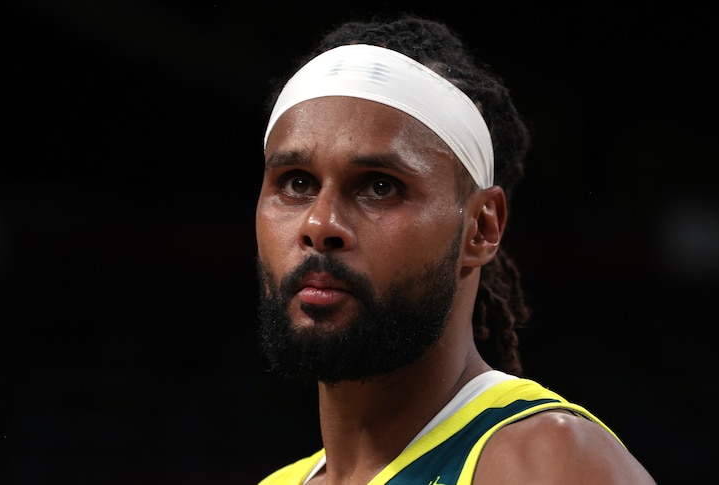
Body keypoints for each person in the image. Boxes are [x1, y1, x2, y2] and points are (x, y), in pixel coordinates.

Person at [254, 13, 656, 484]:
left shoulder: (548, 465)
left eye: (380, 187)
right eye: (296, 183)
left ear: (481, 228)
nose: (320, 224)